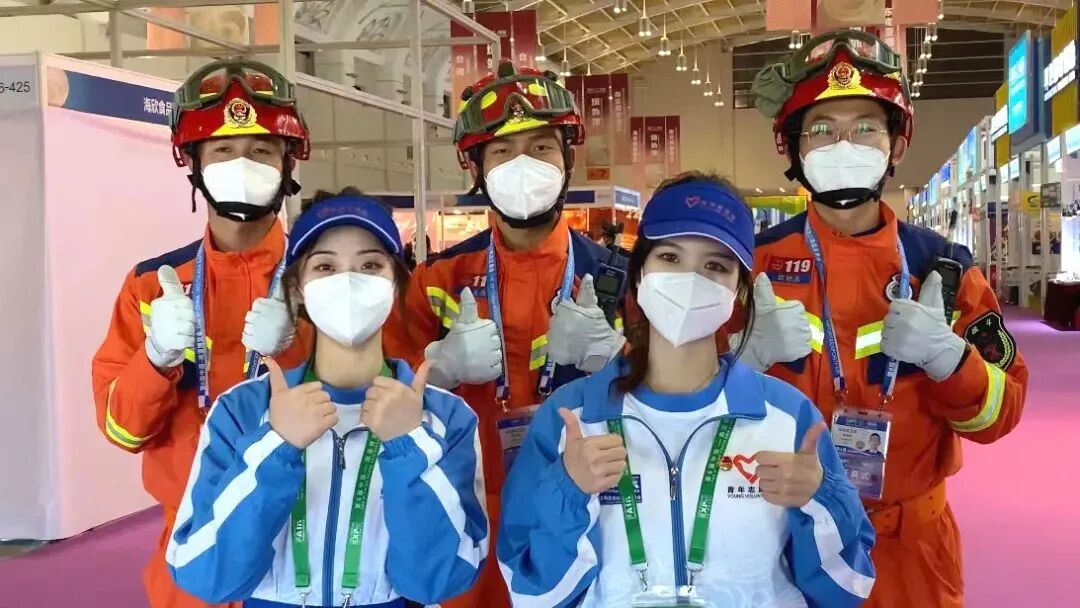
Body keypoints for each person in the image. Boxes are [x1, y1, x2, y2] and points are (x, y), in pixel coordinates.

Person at [497, 174, 874, 607]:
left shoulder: (787, 418)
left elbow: (847, 589)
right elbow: (531, 594)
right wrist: (568, 490)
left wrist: (820, 500)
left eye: (715, 266)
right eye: (670, 257)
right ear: (639, 274)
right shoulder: (573, 418)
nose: (690, 278)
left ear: (740, 289)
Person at [747, 30, 1029, 607]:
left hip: (910, 551)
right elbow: (690, 404)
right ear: (792, 147)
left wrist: (951, 360)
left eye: (864, 128)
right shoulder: (751, 268)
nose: (842, 144)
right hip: (780, 541)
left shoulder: (945, 269)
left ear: (896, 145)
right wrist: (740, 361)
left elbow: (1001, 414)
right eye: (821, 129)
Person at [167, 190, 488, 608]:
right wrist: (276, 446)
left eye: (370, 265)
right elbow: (206, 574)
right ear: (298, 289)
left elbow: (440, 580)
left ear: (395, 284)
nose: (348, 281)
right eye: (325, 267)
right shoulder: (243, 410)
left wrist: (409, 446)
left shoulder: (444, 417)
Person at [384, 60, 628, 608]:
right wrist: (437, 372)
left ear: (567, 159)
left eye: (541, 147)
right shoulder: (438, 279)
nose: (523, 165)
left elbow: (675, 397)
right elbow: (383, 399)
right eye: (502, 151)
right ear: (476, 168)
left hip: (587, 509)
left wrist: (618, 358)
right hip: (465, 506)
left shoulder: (619, 277)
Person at [92, 60, 315, 608]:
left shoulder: (326, 274)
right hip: (193, 545)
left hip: (311, 540)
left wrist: (298, 347)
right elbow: (123, 431)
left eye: (261, 150)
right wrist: (155, 360)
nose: (242, 164)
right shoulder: (151, 286)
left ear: (288, 162)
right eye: (222, 150)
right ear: (192, 162)